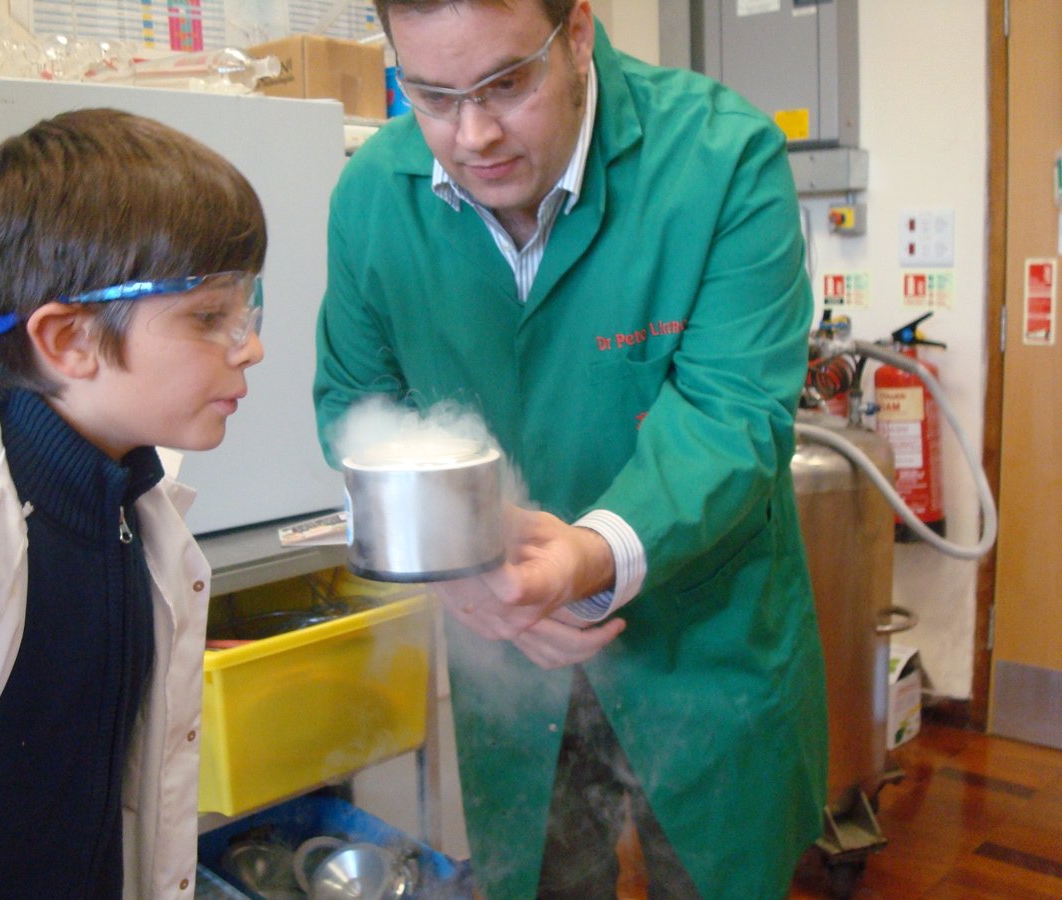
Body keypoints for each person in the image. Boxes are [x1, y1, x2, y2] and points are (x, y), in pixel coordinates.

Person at [312, 1, 828, 897]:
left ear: (578, 32)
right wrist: (460, 572)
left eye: (506, 84)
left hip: (704, 642)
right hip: (514, 650)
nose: (472, 135)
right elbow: (357, 408)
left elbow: (733, 413)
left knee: (720, 876)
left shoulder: (718, 160)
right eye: (430, 93)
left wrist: (590, 555)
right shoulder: (373, 197)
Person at [0, 108, 266, 898]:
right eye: (209, 316)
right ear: (68, 339)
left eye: (248, 308)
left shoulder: (133, 508)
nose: (250, 344)